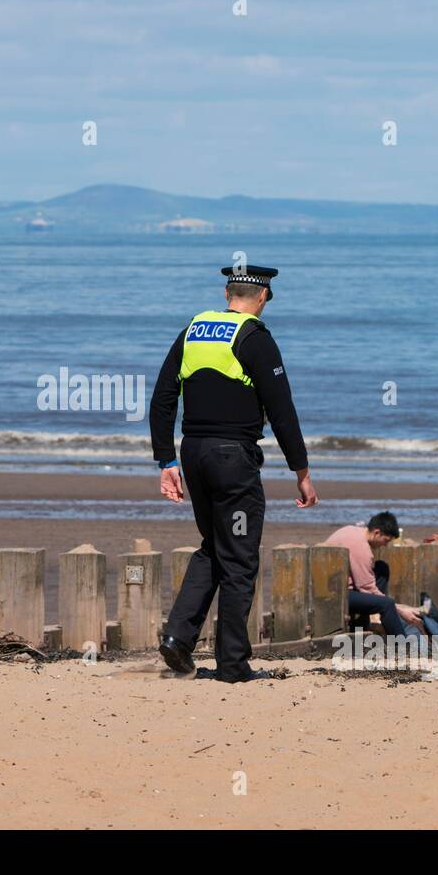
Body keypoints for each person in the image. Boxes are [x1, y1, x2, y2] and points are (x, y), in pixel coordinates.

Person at [149, 262, 318, 682]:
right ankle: (232, 666)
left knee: (214, 546)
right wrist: (302, 470)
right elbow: (281, 409)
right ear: (261, 297)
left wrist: (165, 461)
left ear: (228, 295)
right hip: (233, 463)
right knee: (240, 559)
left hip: (193, 454)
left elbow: (161, 399)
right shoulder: (256, 338)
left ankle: (178, 638)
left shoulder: (193, 329)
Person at [323, 512, 424, 638]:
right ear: (376, 533)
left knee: (381, 568)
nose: (385, 545)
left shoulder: (351, 530)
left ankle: (364, 621)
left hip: (337, 585)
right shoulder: (362, 549)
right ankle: (402, 644)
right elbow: (366, 588)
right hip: (336, 594)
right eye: (386, 540)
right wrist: (400, 609)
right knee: (386, 605)